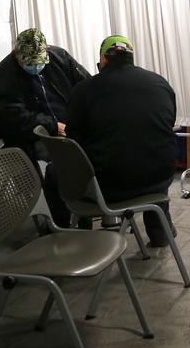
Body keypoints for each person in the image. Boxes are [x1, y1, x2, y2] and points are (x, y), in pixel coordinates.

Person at [67, 35, 178, 246]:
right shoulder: (160, 83)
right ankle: (160, 231)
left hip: (110, 185)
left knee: (57, 172)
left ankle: (72, 236)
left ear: (103, 60)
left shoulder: (83, 90)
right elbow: (166, 125)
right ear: (131, 57)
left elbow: (74, 140)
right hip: (160, 178)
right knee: (151, 151)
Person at [0, 28, 89, 227]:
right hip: (30, 136)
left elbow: (86, 86)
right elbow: (13, 117)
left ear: (47, 51)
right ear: (17, 55)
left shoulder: (59, 58)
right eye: (29, 63)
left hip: (68, 128)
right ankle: (60, 223)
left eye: (40, 61)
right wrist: (51, 125)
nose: (36, 66)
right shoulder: (5, 75)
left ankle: (85, 209)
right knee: (57, 168)